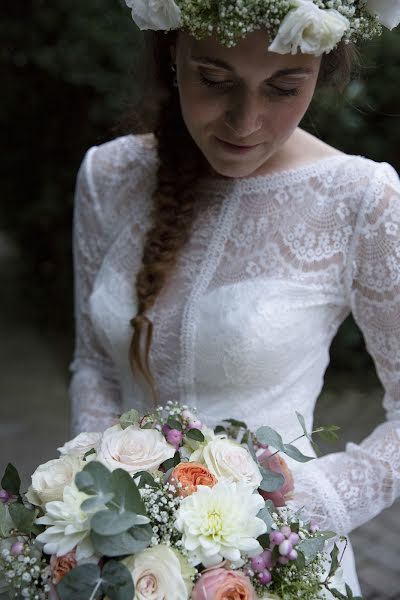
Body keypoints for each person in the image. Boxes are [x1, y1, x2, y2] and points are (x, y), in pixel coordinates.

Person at [69, 0, 400, 595]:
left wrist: (285, 520)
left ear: (321, 72)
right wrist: (100, 504)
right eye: (215, 80)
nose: (246, 121)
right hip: (124, 575)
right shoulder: (109, 176)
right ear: (173, 58)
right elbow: (94, 363)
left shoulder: (359, 197)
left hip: (279, 571)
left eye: (284, 86)